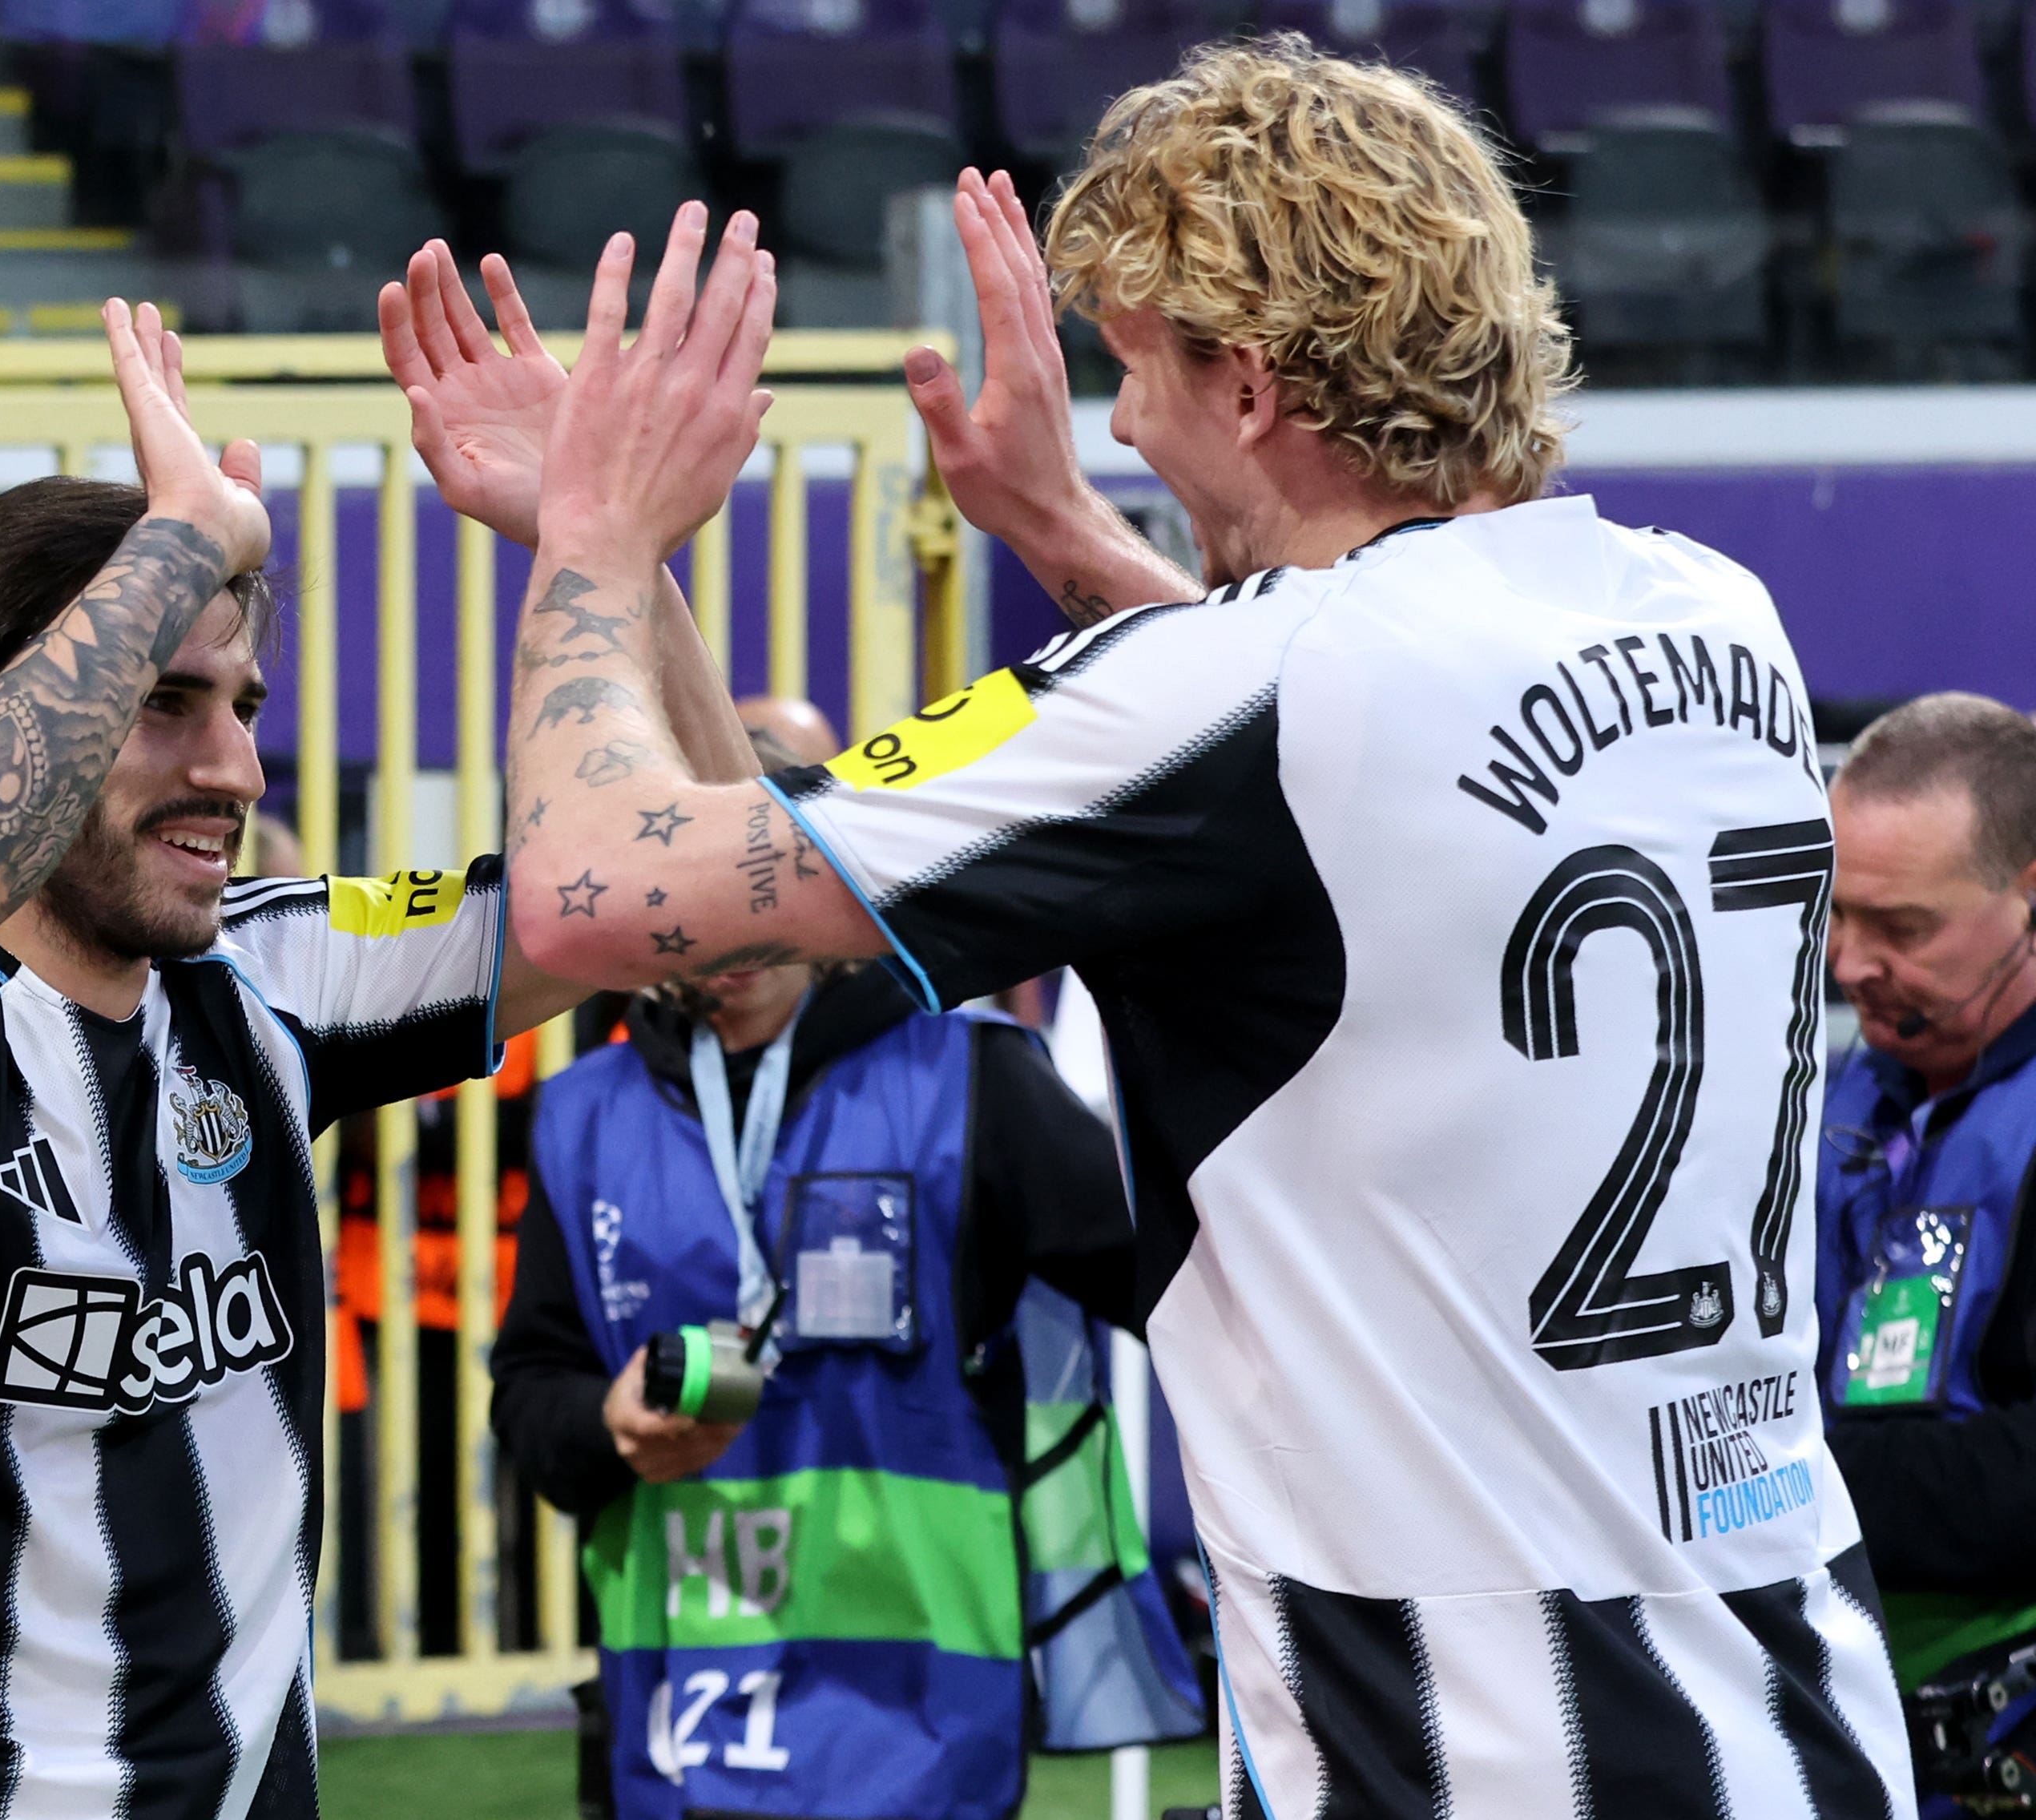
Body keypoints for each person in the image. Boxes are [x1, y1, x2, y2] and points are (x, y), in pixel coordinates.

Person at [480, 42, 1916, 1818]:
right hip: (1793, 1703)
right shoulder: (1717, 617)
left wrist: (587, 539)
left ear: (1245, 382)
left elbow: (585, 883)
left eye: (1134, 367)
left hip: (1453, 1738)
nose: (1124, 418)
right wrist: (1063, 530)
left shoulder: (1234, 694)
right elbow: (1357, 783)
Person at [0, 300, 755, 1818]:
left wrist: (602, 544)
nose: (236, 768)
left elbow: (724, 898)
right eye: (162, 706)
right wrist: (180, 540)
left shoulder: (273, 978)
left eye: (241, 707)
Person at [490, 700, 1199, 1818]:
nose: (715, 938)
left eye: (747, 890)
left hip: (917, 1719)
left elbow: (1190, 1292)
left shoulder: (972, 1078)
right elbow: (531, 1397)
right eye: (677, 900)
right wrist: (604, 1423)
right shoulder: (584, 1112)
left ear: (813, 875)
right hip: (677, 1710)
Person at [1814, 695, 2036, 1703]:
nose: (1847, 964)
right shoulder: (1821, 1098)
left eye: (1901, 928)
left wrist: (1773, 1473)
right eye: (1836, 911)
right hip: (1823, 1685)